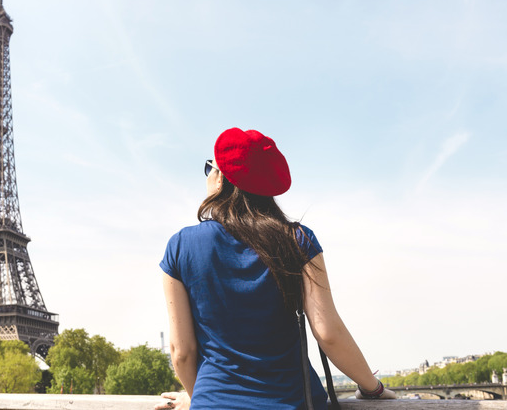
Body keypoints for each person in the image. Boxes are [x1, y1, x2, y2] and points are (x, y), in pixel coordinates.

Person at [155, 128, 396, 410]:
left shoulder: (180, 246)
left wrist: (200, 398)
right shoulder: (298, 241)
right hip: (292, 402)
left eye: (210, 167)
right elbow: (328, 333)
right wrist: (373, 388)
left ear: (221, 178)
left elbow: (182, 353)